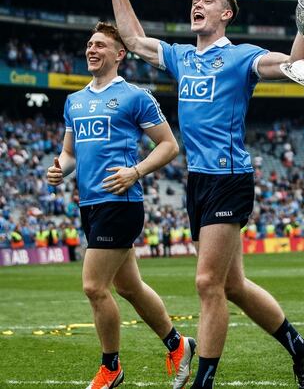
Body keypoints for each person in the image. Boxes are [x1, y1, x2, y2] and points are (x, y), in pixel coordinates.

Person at [104, 0, 304, 389]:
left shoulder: (242, 56)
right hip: (198, 181)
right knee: (233, 284)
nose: (196, 4)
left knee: (207, 283)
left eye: (207, 0)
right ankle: (301, 349)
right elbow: (132, 40)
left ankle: (203, 381)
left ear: (226, 15)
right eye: (195, 0)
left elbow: (296, 65)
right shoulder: (182, 57)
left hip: (229, 177)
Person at [46, 22, 195, 389]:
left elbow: (168, 145)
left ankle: (111, 368)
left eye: (99, 44)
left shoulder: (135, 96)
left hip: (121, 201)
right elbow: (69, 154)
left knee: (94, 286)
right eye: (89, 44)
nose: (91, 50)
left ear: (119, 54)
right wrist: (58, 170)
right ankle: (179, 345)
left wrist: (135, 171)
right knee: (129, 286)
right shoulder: (74, 101)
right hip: (91, 204)